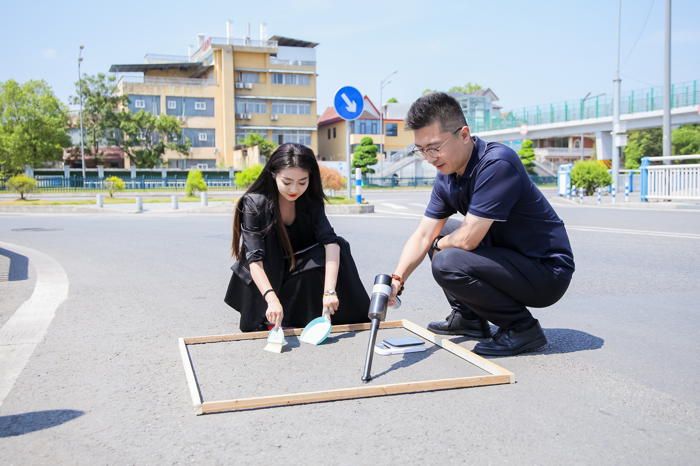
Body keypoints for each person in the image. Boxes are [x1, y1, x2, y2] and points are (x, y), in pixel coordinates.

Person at [387, 93, 575, 357]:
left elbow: (467, 241)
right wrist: (396, 280)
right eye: (422, 150)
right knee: (439, 237)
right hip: (508, 258)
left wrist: (438, 243)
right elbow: (422, 235)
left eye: (434, 147)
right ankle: (470, 318)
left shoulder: (497, 163)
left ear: (464, 134)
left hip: (546, 271)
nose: (429, 158)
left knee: (446, 259)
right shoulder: (447, 173)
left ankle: (521, 328)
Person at [225, 143, 370, 332]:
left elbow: (331, 243)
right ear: (274, 174)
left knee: (340, 245)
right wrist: (271, 298)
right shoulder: (254, 203)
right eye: (287, 182)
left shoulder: (311, 202)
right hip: (267, 274)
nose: (294, 189)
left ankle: (326, 315)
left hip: (296, 270)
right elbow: (255, 261)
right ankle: (275, 316)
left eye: (302, 182)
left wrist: (329, 291)